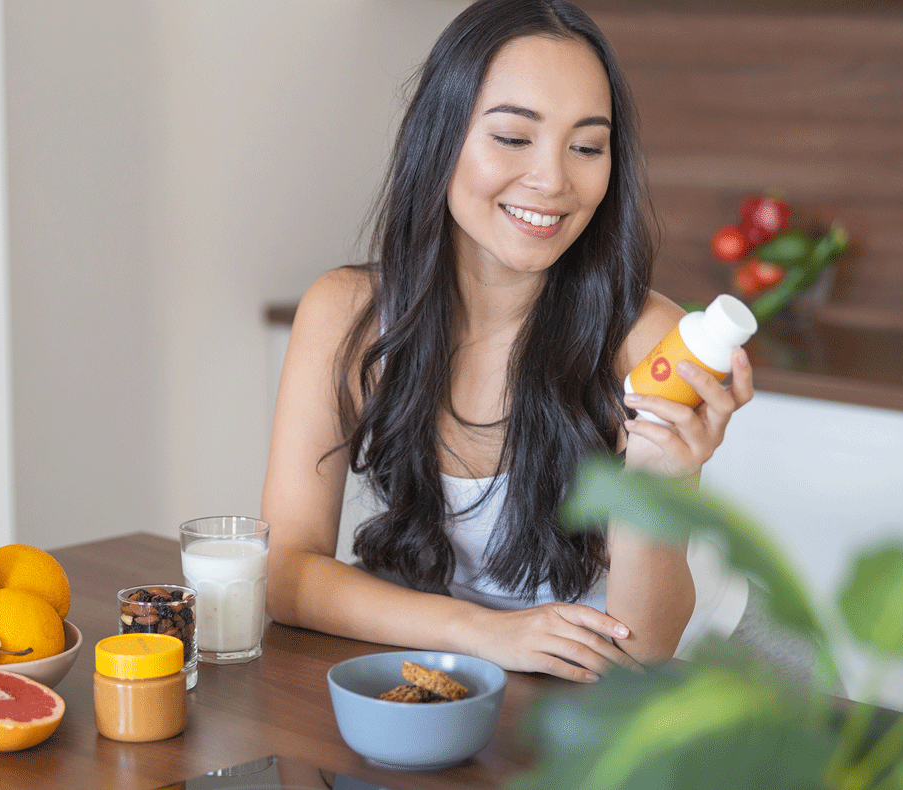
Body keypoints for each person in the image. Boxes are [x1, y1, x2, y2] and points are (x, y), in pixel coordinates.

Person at [261, 0, 755, 684]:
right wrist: (485, 635)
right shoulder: (346, 316)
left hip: (686, 679)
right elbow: (285, 574)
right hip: (485, 667)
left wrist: (655, 480)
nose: (553, 181)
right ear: (441, 137)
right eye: (514, 138)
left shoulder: (649, 343)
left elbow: (644, 644)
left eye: (586, 146)